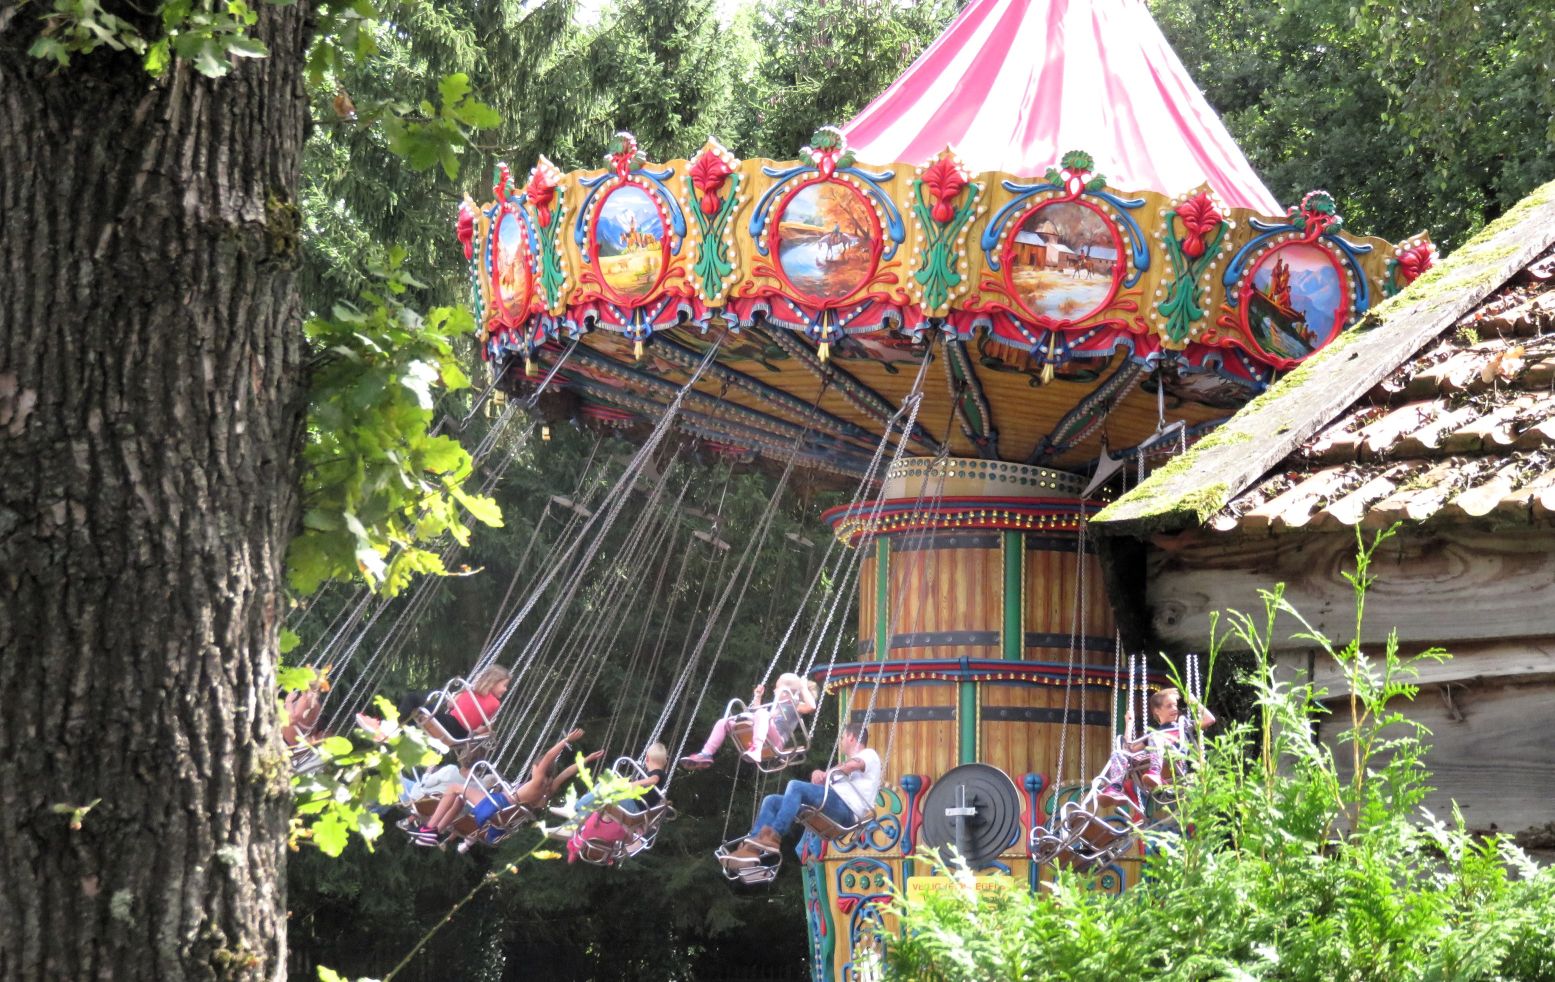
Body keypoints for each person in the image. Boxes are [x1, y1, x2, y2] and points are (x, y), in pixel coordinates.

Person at [410, 728, 602, 846]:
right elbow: (568, 772)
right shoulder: (547, 790)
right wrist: (586, 760)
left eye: (535, 766)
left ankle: (429, 828)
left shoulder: (536, 782)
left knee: (454, 788)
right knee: (460, 798)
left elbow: (550, 756)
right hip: (504, 816)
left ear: (537, 767)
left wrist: (565, 741)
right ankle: (435, 832)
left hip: (498, 806)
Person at [723, 723, 879, 866]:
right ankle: (751, 849)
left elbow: (853, 765)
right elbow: (821, 783)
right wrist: (819, 774)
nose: (842, 741)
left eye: (843, 737)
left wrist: (831, 772)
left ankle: (775, 835)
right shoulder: (842, 766)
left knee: (795, 786)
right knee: (772, 801)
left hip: (846, 809)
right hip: (833, 804)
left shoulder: (869, 754)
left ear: (851, 737)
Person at [1092, 687, 1215, 815]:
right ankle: (1115, 788)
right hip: (1149, 767)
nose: (1174, 709)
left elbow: (1209, 720)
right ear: (1157, 711)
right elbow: (1130, 749)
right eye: (1169, 706)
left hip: (1175, 764)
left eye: (1175, 706)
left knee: (1155, 737)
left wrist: (1194, 702)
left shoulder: (1183, 726)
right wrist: (1129, 724)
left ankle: (1155, 772)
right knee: (1119, 753)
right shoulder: (1153, 734)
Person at [679, 673, 819, 770]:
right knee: (723, 722)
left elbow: (811, 706)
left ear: (786, 691)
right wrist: (758, 697)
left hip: (776, 742)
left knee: (762, 713)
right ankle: (706, 754)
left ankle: (756, 749)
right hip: (765, 734)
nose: (774, 690)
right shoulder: (775, 705)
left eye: (777, 687)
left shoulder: (795, 706)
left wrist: (803, 688)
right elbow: (757, 715)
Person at [561, 744, 670, 864]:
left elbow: (652, 780)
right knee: (604, 787)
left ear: (647, 758)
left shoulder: (658, 774)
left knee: (603, 787)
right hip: (636, 807)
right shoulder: (660, 775)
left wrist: (633, 784)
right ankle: (580, 811)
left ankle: (577, 809)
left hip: (633, 808)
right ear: (664, 761)